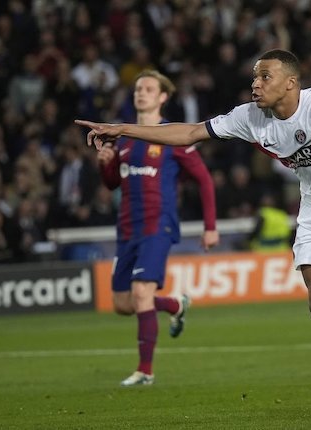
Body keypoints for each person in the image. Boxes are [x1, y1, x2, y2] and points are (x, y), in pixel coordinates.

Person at [76, 49, 311, 420]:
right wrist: (122, 129)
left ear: (291, 83)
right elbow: (189, 132)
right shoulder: (249, 117)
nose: (256, 83)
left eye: (265, 76)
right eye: (254, 77)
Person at [95, 70, 219, 387]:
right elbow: (112, 184)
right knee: (124, 304)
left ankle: (145, 371)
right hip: (126, 229)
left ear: (163, 97)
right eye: (138, 88)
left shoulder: (172, 136)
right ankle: (175, 305)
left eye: (149, 89)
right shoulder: (123, 138)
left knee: (140, 293)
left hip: (157, 224)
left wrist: (209, 226)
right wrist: (105, 162)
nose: (142, 93)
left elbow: (204, 179)